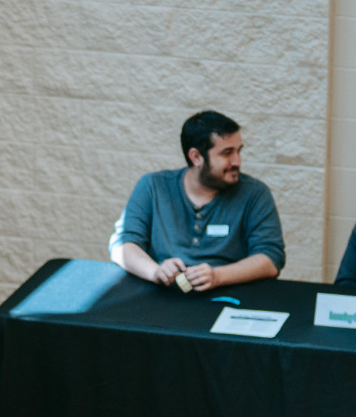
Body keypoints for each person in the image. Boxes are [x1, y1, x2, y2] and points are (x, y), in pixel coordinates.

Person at [109, 110, 286, 292]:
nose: (237, 161)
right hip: (161, 297)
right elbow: (123, 246)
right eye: (227, 153)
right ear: (196, 157)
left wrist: (217, 276)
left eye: (238, 151)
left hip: (228, 295)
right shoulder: (153, 186)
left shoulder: (255, 194)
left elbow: (271, 258)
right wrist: (156, 272)